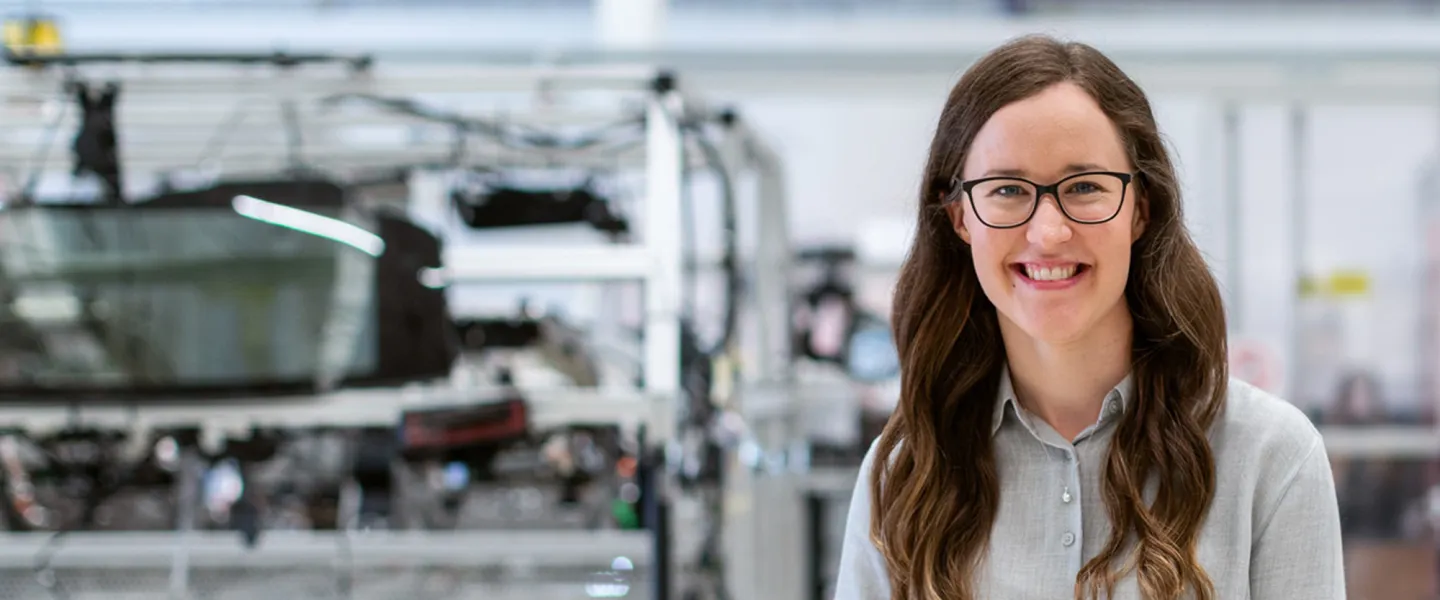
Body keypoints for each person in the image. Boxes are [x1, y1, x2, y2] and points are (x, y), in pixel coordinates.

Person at [834, 35, 1345, 600]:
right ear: (959, 218)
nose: (1048, 233)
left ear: (1140, 210)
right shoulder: (904, 475)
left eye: (1084, 187)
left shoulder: (1271, 457)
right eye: (1006, 189)